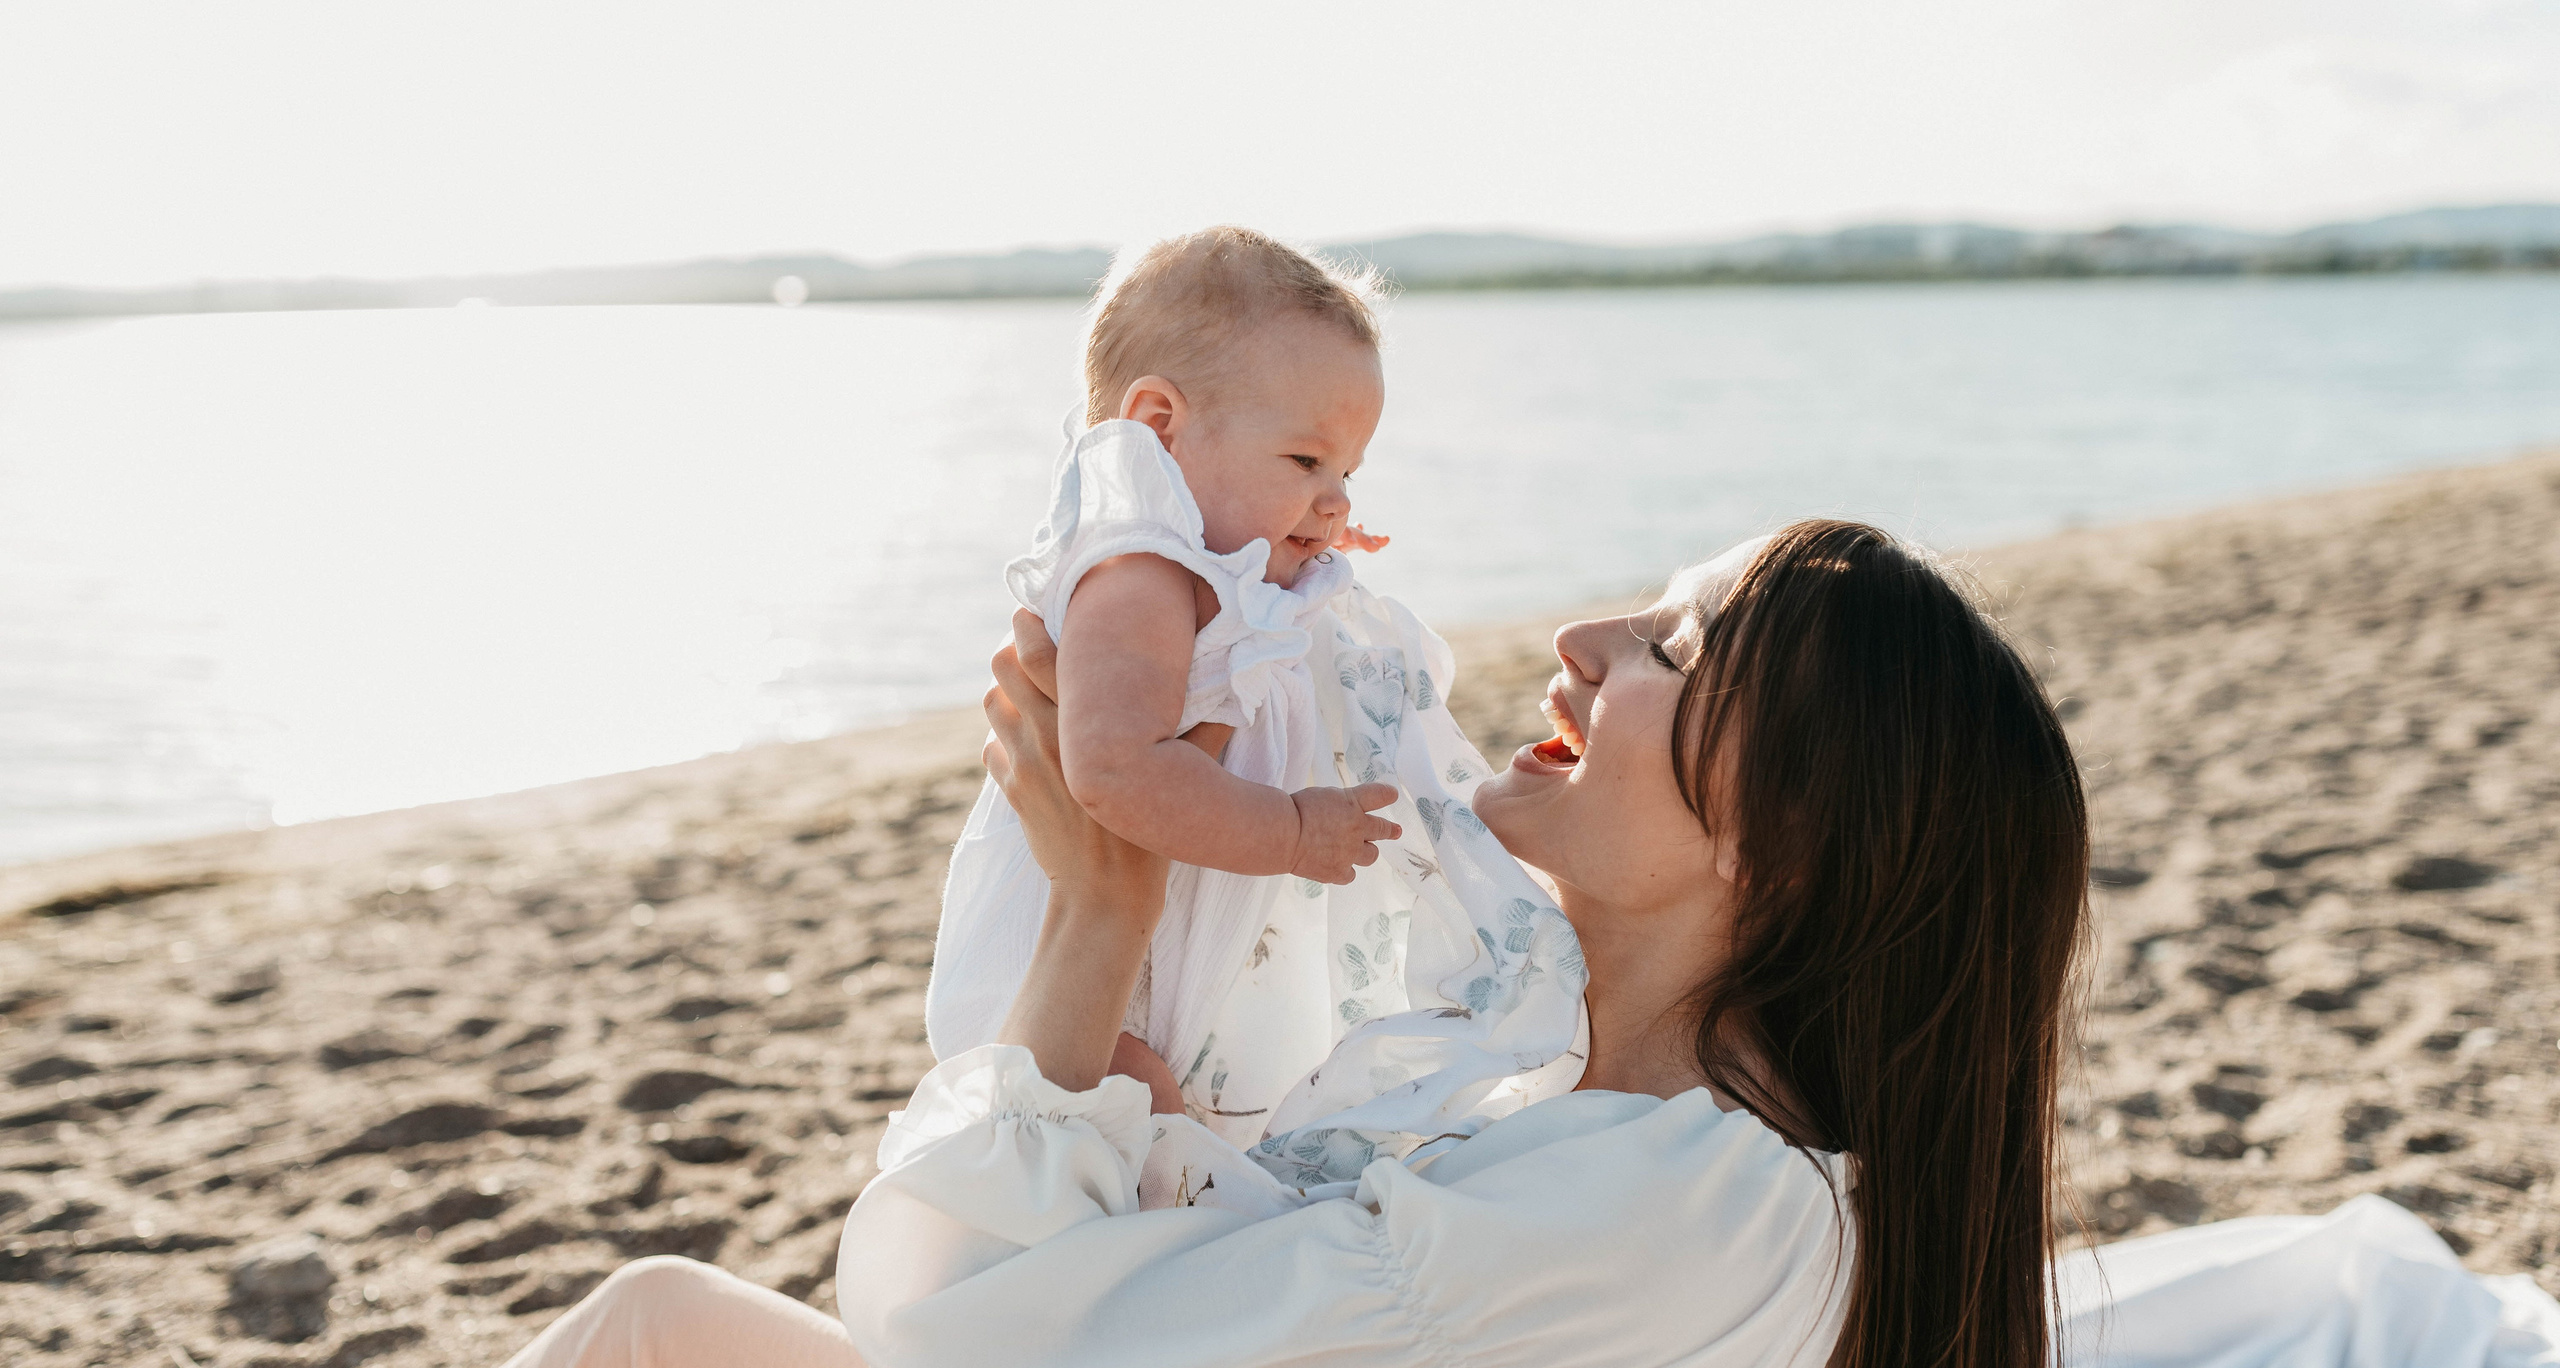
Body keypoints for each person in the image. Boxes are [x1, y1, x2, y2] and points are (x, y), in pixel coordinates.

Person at [501, 522, 2560, 1368]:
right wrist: (1112, 972)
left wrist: (1098, 992)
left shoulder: (1685, 1198)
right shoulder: (1554, 1097)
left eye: (1673, 648)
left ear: (1797, 830)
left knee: (655, 1331)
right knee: (666, 1324)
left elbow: (971, 1343)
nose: (1580, 643)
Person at [928, 225, 1590, 1203]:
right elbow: (1113, 771)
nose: (1330, 499)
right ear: (1157, 427)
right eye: (1304, 459)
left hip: (1170, 926)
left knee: (1190, 1112)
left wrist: (1306, 517)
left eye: (1347, 474)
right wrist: (1285, 831)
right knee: (1136, 1103)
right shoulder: (1137, 576)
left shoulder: (1213, 562)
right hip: (1086, 965)